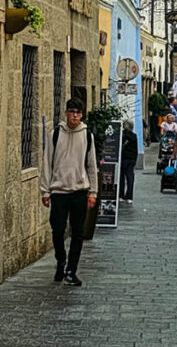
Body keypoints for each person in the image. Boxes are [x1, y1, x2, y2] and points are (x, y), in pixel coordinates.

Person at [40, 98, 98, 286]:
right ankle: (61, 259)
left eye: (78, 113)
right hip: (59, 191)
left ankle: (71, 270)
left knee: (78, 232)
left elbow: (91, 165)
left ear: (82, 115)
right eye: (72, 111)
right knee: (57, 230)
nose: (75, 116)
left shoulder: (87, 135)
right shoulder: (55, 134)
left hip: (79, 191)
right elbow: (47, 163)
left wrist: (93, 192)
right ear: (66, 113)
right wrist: (45, 190)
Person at [120, 119, 138, 203]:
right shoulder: (134, 136)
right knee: (130, 177)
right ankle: (129, 196)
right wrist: (135, 159)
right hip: (131, 159)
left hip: (123, 158)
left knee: (122, 177)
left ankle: (121, 195)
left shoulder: (122, 135)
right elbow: (136, 149)